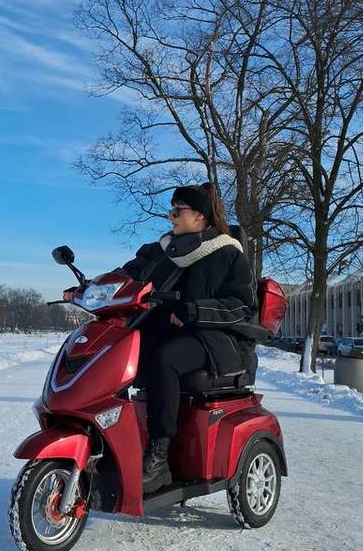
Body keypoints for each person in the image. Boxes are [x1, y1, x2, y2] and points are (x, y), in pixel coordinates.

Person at [64, 183, 257, 493]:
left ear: (201, 216)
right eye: (172, 210)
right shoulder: (162, 251)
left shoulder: (227, 255)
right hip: (165, 330)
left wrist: (193, 310)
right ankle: (109, 440)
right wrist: (88, 290)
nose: (171, 217)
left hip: (215, 341)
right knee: (114, 358)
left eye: (178, 210)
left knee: (164, 359)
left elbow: (241, 307)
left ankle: (159, 457)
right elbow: (127, 275)